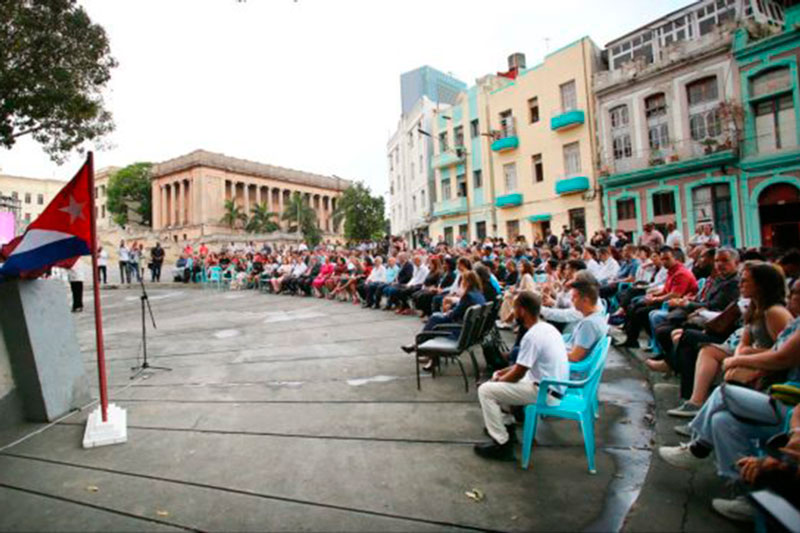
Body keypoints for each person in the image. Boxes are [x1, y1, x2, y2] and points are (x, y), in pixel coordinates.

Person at [658, 279, 800, 522]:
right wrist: (746, 359)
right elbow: (767, 351)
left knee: (724, 393)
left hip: (789, 403)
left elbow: (780, 359)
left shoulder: (779, 315)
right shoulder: (790, 321)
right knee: (723, 422)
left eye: (798, 293)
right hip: (779, 396)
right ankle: (746, 494)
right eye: (793, 291)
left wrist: (737, 362)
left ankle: (698, 446)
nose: (793, 296)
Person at [666, 262, 793, 417]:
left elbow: (784, 352)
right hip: (752, 356)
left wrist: (743, 357)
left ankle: (700, 411)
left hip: (768, 366)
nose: (740, 285)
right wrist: (740, 356)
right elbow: (744, 342)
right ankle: (696, 403)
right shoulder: (754, 309)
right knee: (707, 349)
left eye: (745, 281)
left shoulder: (775, 313)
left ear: (761, 285)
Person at [473, 291, 569, 461]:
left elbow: (518, 373)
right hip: (552, 386)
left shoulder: (532, 336)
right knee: (497, 384)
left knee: (486, 390)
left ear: (522, 311)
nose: (513, 312)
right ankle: (507, 426)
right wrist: (502, 373)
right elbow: (522, 366)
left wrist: (499, 380)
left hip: (545, 392)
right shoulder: (547, 328)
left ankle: (502, 443)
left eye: (514, 308)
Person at [616, 246, 698, 348]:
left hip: (676, 304)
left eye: (667, 259)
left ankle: (652, 342)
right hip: (669, 300)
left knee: (640, 311)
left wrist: (655, 299)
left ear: (675, 258)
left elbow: (675, 295)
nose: (664, 262)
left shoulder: (681, 273)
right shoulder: (671, 271)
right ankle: (631, 339)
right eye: (662, 259)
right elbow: (665, 290)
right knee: (633, 305)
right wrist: (653, 295)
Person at [566, 272, 609, 362]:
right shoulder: (596, 316)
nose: (571, 300)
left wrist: (552, 352)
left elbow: (574, 357)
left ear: (585, 300)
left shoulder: (589, 324)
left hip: (571, 371)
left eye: (574, 297)